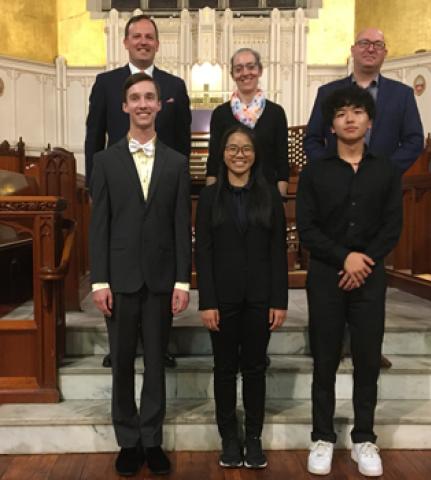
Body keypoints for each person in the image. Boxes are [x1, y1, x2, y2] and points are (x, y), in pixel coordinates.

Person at [296, 86, 402, 477]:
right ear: (332, 123)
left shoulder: (386, 170)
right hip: (326, 276)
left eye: (358, 112)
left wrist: (363, 261)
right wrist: (345, 258)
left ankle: (363, 439)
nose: (350, 119)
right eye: (341, 114)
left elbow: (392, 227)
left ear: (369, 120)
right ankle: (322, 437)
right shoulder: (315, 171)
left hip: (371, 278)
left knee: (367, 361)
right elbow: (306, 229)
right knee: (324, 360)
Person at [89, 72, 191, 476]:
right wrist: (99, 281)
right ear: (125, 106)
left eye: (150, 97)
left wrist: (183, 280)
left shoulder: (177, 162)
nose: (143, 104)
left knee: (154, 363)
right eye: (136, 98)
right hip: (120, 279)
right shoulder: (105, 160)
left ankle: (152, 438)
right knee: (122, 366)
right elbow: (100, 226)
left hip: (162, 280)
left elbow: (182, 226)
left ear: (160, 104)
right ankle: (127, 440)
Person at [85, 13, 191, 368]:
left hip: (161, 182)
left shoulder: (175, 86)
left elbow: (183, 143)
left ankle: (160, 345)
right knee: (120, 266)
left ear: (157, 44)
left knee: (158, 273)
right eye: (137, 36)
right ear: (126, 42)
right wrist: (95, 189)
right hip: (117, 189)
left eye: (150, 37)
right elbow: (93, 137)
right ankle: (120, 347)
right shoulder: (106, 83)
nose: (143, 41)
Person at [195, 125, 288, 469]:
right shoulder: (208, 197)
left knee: (254, 369)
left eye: (246, 148)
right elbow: (202, 253)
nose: (239, 154)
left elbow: (279, 252)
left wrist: (280, 300)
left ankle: (253, 437)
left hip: (261, 298)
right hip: (222, 298)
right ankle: (228, 438)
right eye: (232, 148)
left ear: (255, 154)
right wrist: (207, 301)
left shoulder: (269, 196)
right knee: (224, 369)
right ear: (221, 154)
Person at [304, 28, 423, 174]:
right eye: (364, 43)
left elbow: (414, 141)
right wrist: (329, 169)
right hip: (336, 183)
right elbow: (312, 140)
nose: (371, 49)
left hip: (384, 184)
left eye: (378, 44)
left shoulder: (402, 94)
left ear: (385, 53)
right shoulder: (328, 92)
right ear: (353, 50)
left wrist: (386, 170)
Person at [205, 48, 290, 198]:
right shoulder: (220, 113)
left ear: (260, 70)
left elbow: (281, 161)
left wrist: (281, 200)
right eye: (238, 69)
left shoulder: (276, 113)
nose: (245, 73)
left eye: (251, 67)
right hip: (227, 197)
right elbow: (214, 161)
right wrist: (210, 200)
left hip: (266, 195)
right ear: (232, 75)